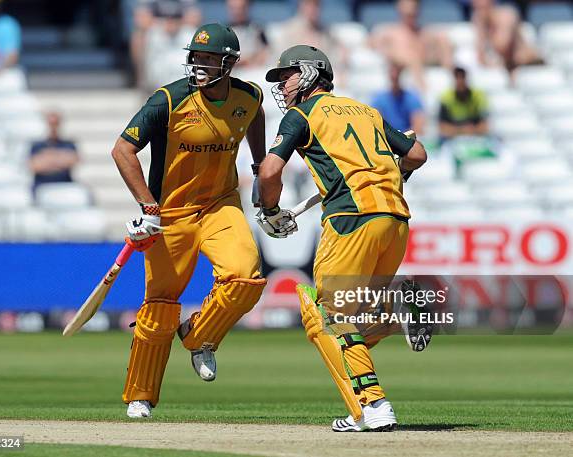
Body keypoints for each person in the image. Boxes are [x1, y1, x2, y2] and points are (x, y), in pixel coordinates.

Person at [258, 45, 428, 432]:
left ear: (309, 73)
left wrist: (269, 210)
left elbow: (269, 172)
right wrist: (391, 173)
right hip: (395, 218)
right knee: (356, 320)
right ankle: (394, 312)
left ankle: (374, 405)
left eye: (287, 77)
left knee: (333, 316)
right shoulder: (366, 111)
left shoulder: (302, 115)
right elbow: (416, 153)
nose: (283, 87)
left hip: (351, 220)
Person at [111, 23, 267, 419]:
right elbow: (122, 150)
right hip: (170, 215)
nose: (199, 65)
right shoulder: (168, 99)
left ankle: (200, 337)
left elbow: (256, 118)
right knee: (161, 305)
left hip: (220, 204)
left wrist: (260, 165)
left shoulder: (248, 96)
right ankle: (140, 396)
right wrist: (148, 207)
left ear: (228, 63)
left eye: (209, 58)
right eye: (196, 57)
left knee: (246, 276)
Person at [371, 0, 452, 90]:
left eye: (413, 13)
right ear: (400, 9)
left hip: (424, 62)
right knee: (412, 58)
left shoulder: (423, 32)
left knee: (442, 39)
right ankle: (423, 91)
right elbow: (371, 43)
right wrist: (388, 52)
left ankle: (451, 81)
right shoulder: (391, 32)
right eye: (407, 14)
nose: (410, 15)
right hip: (401, 67)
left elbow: (439, 42)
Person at [471, 0, 542, 73]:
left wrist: (483, 29)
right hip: (508, 66)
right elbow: (480, 57)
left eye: (482, 7)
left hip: (530, 64)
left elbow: (503, 46)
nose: (479, 10)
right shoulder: (479, 19)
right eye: (476, 7)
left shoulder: (506, 15)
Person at [143, 0, 190, 91]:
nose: (171, 22)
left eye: (174, 18)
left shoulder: (190, 35)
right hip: (159, 88)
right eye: (167, 19)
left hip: (185, 88)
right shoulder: (153, 35)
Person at [29, 111, 79, 192]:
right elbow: (34, 166)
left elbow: (73, 161)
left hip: (65, 184)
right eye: (51, 124)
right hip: (41, 185)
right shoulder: (37, 145)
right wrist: (61, 158)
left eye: (55, 124)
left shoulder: (69, 144)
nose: (53, 127)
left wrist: (47, 158)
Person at [371, 61, 425, 135]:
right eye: (393, 77)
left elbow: (418, 127)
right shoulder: (379, 99)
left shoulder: (412, 98)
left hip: (407, 140)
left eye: (397, 76)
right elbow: (375, 124)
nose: (395, 79)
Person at [438, 66, 488, 142]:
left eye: (462, 77)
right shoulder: (446, 98)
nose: (460, 81)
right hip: (452, 140)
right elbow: (442, 128)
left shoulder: (478, 96)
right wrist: (462, 130)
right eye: (457, 77)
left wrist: (471, 130)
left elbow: (484, 126)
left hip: (475, 139)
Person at [226, 0, 269, 68]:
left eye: (241, 8)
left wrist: (254, 61)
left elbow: (266, 51)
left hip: (253, 70)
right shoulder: (224, 32)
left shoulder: (257, 28)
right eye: (233, 8)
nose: (237, 12)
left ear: (248, 7)